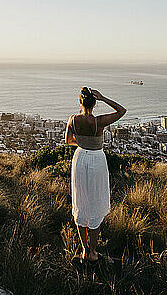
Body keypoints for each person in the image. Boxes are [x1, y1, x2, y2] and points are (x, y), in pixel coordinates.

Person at [65, 86, 126, 262]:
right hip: (96, 160)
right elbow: (122, 111)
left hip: (79, 159)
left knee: (81, 202)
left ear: (80, 102)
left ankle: (84, 250)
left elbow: (68, 141)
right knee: (95, 203)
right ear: (94, 103)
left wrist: (83, 142)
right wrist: (104, 97)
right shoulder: (99, 121)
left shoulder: (73, 119)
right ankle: (93, 252)